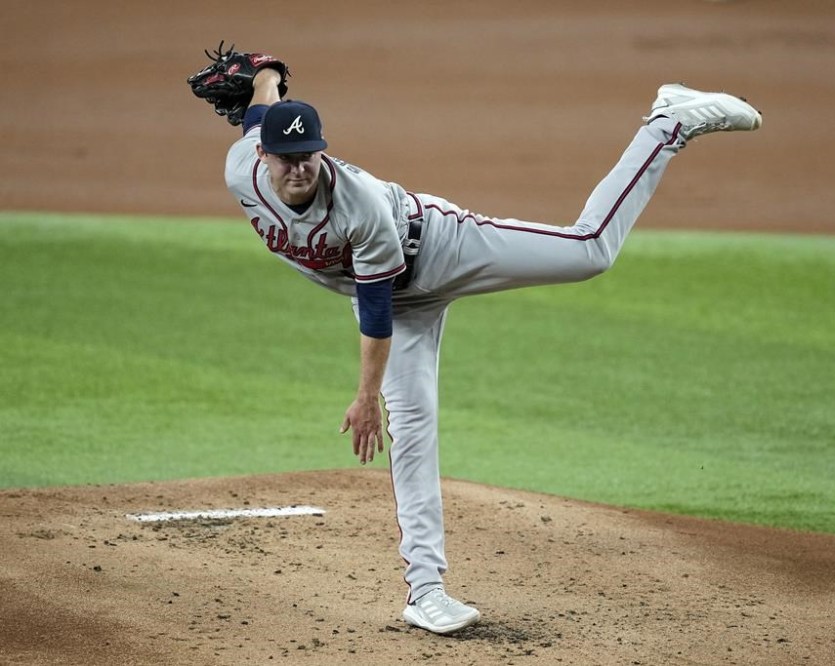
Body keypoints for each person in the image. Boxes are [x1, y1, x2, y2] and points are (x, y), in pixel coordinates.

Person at [223, 67, 761, 634]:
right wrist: (267, 75)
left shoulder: (357, 205)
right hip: (400, 305)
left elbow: (376, 314)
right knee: (412, 430)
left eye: (310, 154)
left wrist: (364, 396)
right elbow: (259, 113)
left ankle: (668, 123)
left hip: (438, 246)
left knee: (588, 252)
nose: (301, 167)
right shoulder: (242, 168)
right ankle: (426, 591)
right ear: (263, 157)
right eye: (287, 157)